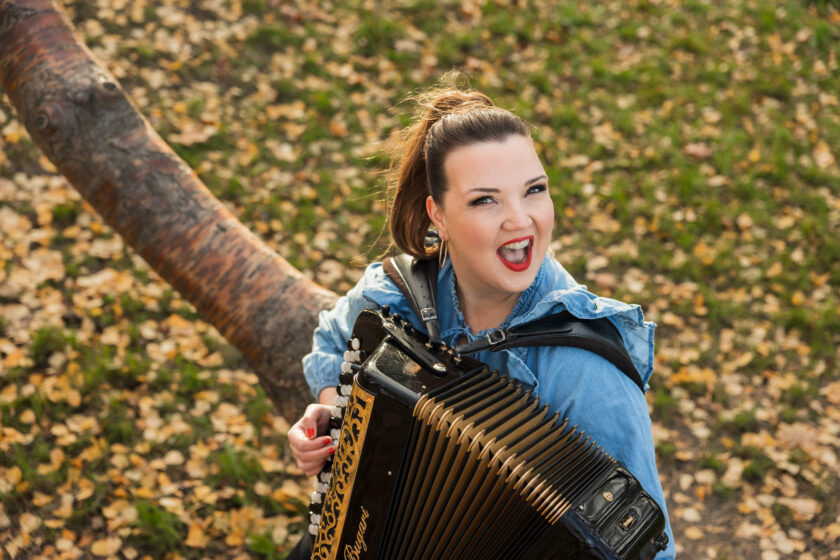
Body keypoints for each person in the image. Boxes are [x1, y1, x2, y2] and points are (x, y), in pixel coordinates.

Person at [287, 80, 676, 559]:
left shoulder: (588, 375)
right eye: (485, 200)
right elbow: (332, 341)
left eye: (534, 190)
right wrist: (336, 417)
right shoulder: (402, 293)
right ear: (439, 217)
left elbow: (646, 549)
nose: (520, 220)